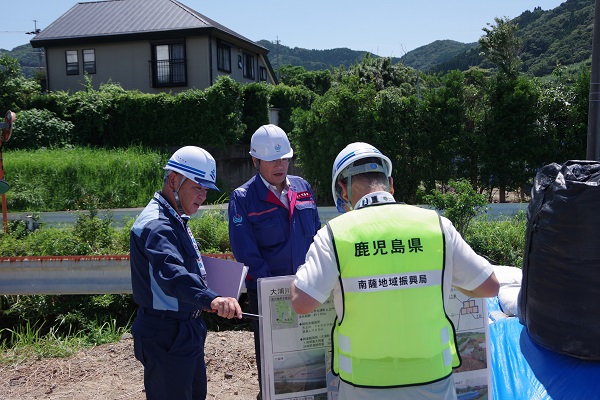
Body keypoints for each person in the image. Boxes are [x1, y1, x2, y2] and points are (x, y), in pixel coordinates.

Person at [290, 142, 499, 400]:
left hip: (363, 383)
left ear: (343, 189)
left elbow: (302, 302)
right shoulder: (436, 226)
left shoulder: (335, 234)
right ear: (390, 183)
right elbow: (489, 286)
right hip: (433, 377)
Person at [130, 146, 242, 400]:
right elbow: (172, 273)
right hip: (166, 332)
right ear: (173, 181)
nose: (203, 196)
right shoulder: (158, 224)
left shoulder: (173, 217)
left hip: (184, 327)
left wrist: (204, 296)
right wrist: (211, 298)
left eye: (206, 190)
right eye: (197, 187)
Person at [228, 124, 321, 398]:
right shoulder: (243, 198)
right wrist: (276, 291)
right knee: (274, 358)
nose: (279, 165)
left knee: (312, 351)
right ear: (255, 161)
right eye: (271, 160)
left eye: (283, 158)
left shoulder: (302, 188)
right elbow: (246, 252)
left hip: (307, 288)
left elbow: (317, 236)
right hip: (269, 295)